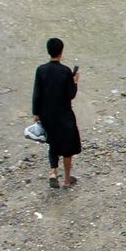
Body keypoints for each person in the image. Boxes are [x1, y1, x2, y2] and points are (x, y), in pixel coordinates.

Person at [33, 37, 82, 188]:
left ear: (48, 51)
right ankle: (66, 180)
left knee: (52, 141)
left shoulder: (40, 70)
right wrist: (75, 81)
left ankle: (53, 172)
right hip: (64, 114)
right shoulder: (65, 71)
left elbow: (37, 93)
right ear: (61, 52)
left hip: (47, 114)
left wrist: (36, 113)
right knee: (68, 147)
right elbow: (70, 94)